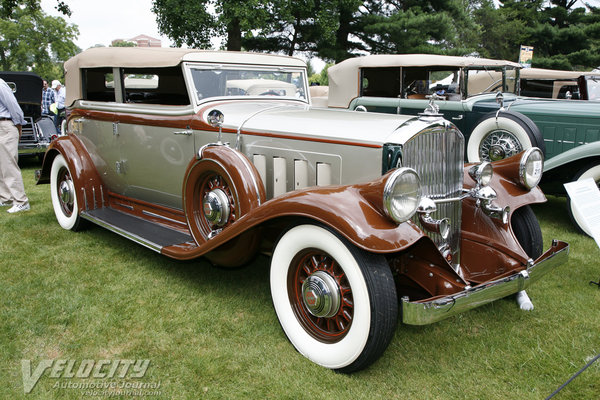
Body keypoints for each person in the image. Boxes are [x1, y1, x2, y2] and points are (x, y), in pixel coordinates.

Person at [0, 78, 30, 213]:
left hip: (5, 125)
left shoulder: (0, 83)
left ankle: (21, 201)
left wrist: (18, 124)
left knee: (9, 165)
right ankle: (6, 198)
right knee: (2, 166)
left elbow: (13, 105)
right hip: (2, 126)